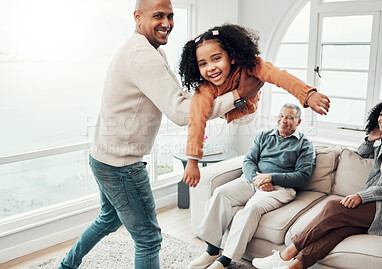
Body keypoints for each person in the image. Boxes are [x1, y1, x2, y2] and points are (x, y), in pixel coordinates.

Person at [57, 1, 264, 268]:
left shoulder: (147, 50)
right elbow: (180, 113)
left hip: (102, 157)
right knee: (148, 239)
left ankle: (67, 265)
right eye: (158, 16)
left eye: (170, 16)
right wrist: (237, 96)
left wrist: (224, 98)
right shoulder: (144, 57)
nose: (166, 23)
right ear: (137, 17)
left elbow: (180, 99)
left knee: (108, 219)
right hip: (121, 165)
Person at [252, 100, 382, 269]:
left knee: (333, 206)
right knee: (338, 232)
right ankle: (293, 267)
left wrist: (361, 196)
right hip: (377, 205)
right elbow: (362, 153)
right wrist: (369, 139)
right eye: (381, 114)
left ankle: (286, 254)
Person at [179, 24, 330, 188]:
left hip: (249, 111)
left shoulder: (250, 65)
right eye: (203, 64)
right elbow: (196, 121)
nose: (211, 68)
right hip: (228, 115)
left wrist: (308, 95)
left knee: (267, 70)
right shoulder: (205, 88)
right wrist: (192, 161)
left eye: (216, 58)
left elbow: (279, 77)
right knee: (197, 106)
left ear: (231, 56)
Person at [188, 103, 317, 269]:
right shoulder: (263, 136)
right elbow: (248, 161)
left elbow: (302, 176)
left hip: (279, 188)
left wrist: (271, 177)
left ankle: (225, 260)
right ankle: (212, 250)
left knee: (252, 208)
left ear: (298, 122)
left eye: (290, 118)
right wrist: (256, 179)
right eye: (281, 115)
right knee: (221, 193)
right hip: (252, 180)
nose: (284, 120)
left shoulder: (305, 144)